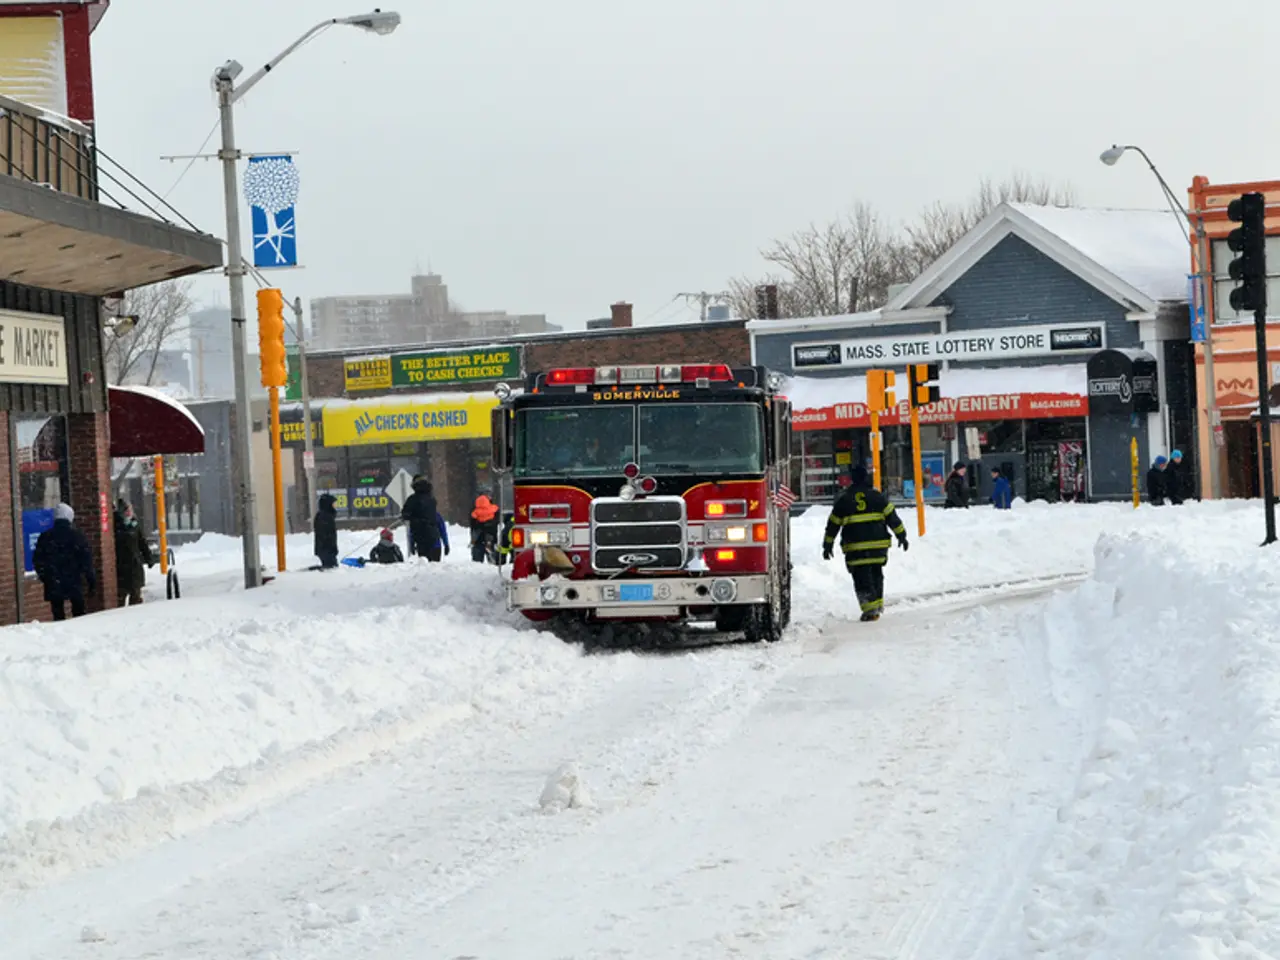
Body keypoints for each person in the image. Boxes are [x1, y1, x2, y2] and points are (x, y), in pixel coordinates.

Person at [823, 465, 909, 622]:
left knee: (862, 578)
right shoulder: (878, 497)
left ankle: (870, 610)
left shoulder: (844, 500)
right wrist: (902, 536)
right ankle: (877, 605)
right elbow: (892, 518)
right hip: (878, 546)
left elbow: (833, 525)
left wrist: (827, 545)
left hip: (856, 548)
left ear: (852, 479)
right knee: (877, 574)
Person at [32, 502, 96, 621]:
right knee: (79, 614)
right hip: (74, 580)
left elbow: (38, 560)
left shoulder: (45, 537)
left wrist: (45, 576)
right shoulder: (77, 536)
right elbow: (86, 560)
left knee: (58, 615)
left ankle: (61, 637)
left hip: (54, 581)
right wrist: (90, 580)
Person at [113, 498, 154, 605]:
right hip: (121, 566)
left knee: (135, 594)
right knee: (120, 596)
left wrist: (149, 558)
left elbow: (142, 543)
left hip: (135, 565)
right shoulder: (116, 525)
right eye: (126, 510)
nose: (129, 513)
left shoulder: (134, 525)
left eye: (130, 510)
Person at [402, 476, 446, 561]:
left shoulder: (412, 499)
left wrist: (409, 516)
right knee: (435, 565)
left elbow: (406, 514)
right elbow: (440, 524)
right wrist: (445, 543)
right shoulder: (432, 499)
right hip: (434, 537)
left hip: (420, 536)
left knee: (425, 563)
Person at [469, 494, 500, 563]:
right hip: (491, 534)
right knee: (492, 558)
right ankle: (489, 549)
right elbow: (497, 520)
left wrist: (480, 524)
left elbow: (472, 524)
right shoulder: (494, 508)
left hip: (478, 537)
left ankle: (477, 559)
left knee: (477, 560)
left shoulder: (475, 511)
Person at [314, 493, 339, 569]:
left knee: (331, 567)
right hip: (326, 549)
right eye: (333, 504)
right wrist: (330, 547)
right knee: (330, 569)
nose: (335, 506)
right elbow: (325, 534)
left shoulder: (326, 516)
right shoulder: (324, 517)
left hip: (327, 549)